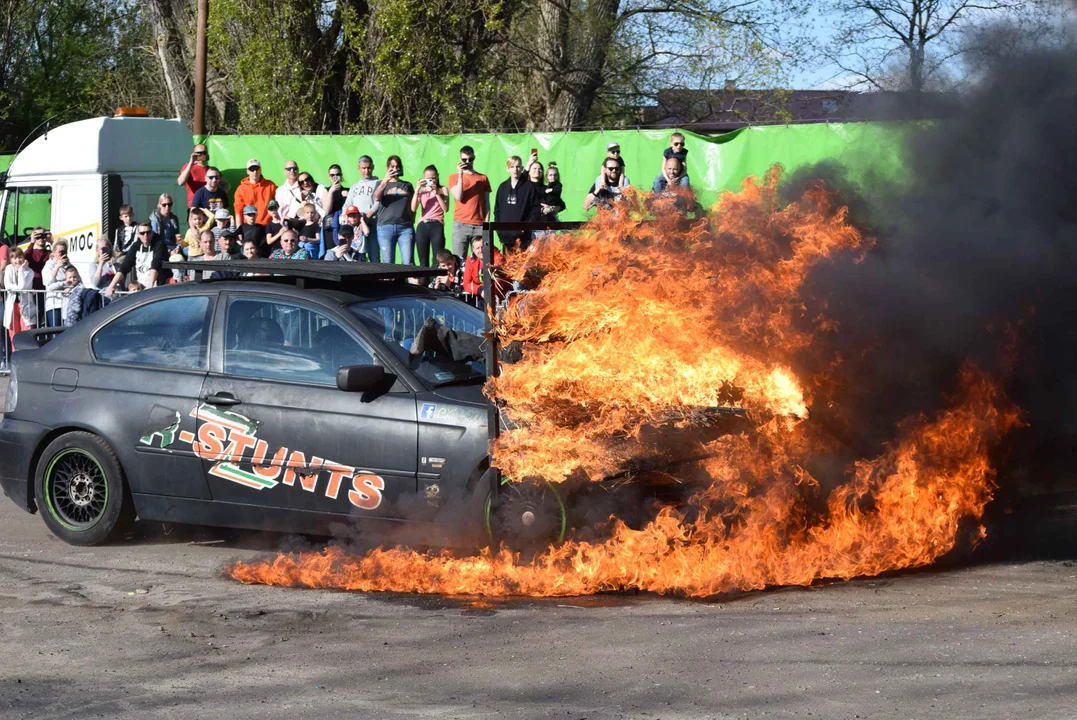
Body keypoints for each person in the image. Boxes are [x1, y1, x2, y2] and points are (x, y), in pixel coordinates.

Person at [448, 145, 491, 258]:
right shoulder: (453, 177)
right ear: (460, 159)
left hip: (479, 226)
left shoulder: (483, 178)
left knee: (482, 261)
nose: (468, 162)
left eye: (470, 159)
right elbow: (458, 196)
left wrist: (486, 223)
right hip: (460, 225)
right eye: (464, 160)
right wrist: (460, 174)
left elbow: (487, 203)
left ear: (474, 158)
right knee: (458, 260)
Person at [106, 222, 168, 296]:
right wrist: (111, 286)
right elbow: (124, 267)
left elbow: (156, 263)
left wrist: (150, 285)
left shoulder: (159, 244)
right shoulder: (136, 246)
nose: (145, 235)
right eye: (142, 233)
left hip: (157, 287)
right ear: (138, 235)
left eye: (148, 232)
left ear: (152, 233)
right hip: (141, 287)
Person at [373, 155, 415, 264]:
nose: (395, 169)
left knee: (408, 263)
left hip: (405, 228)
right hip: (385, 227)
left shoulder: (407, 185)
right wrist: (385, 181)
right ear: (387, 168)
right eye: (392, 167)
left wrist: (412, 220)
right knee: (388, 264)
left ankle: (406, 281)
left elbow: (413, 205)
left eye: (398, 167)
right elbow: (377, 197)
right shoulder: (380, 183)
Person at [493, 155, 539, 253]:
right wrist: (499, 230)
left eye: (518, 166)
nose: (515, 169)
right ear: (508, 168)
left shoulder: (529, 187)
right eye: (512, 167)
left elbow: (534, 210)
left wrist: (526, 228)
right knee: (507, 267)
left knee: (523, 266)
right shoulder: (502, 187)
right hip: (505, 238)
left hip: (523, 238)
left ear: (522, 168)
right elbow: (497, 210)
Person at [343, 155, 381, 262]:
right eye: (364, 168)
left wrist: (366, 217)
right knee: (357, 257)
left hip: (372, 225)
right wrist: (345, 218)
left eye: (369, 168)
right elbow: (347, 204)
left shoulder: (378, 183)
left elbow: (378, 203)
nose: (366, 171)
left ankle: (376, 278)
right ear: (358, 169)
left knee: (374, 257)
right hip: (355, 228)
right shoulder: (354, 186)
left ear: (373, 167)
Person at [411, 165, 448, 267]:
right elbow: (413, 208)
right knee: (423, 261)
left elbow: (446, 208)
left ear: (437, 176)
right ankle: (425, 282)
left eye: (433, 178)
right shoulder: (422, 191)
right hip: (423, 225)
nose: (431, 181)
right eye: (428, 179)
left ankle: (438, 281)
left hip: (437, 225)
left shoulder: (443, 189)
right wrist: (417, 189)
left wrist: (437, 194)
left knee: (438, 259)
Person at [3, 248, 36, 344]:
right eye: (14, 258)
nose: (17, 260)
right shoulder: (9, 268)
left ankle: (27, 356)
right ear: (10, 260)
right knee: (13, 334)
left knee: (27, 331)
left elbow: (22, 287)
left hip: (26, 305)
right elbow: (8, 285)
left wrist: (21, 270)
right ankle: (15, 356)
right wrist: (17, 287)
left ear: (24, 258)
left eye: (20, 257)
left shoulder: (29, 272)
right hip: (12, 305)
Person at [462, 236, 508, 303]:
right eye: (477, 248)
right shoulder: (470, 260)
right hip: (481, 295)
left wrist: (487, 291)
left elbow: (500, 281)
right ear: (473, 250)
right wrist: (480, 290)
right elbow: (466, 284)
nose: (481, 250)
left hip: (500, 298)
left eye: (482, 247)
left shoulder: (498, 258)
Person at [233, 159, 277, 224]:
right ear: (247, 171)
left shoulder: (270, 185)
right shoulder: (241, 189)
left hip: (268, 226)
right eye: (252, 169)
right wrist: (239, 231)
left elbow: (280, 204)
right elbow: (238, 211)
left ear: (260, 170)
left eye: (257, 169)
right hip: (249, 226)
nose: (255, 172)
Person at [42, 239, 72, 327]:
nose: (63, 254)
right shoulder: (48, 266)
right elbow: (49, 285)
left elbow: (76, 281)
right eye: (61, 252)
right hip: (54, 303)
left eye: (65, 252)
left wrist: (70, 287)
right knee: (56, 333)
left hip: (68, 303)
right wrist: (57, 266)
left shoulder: (69, 266)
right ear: (54, 252)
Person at [318, 164, 349, 244]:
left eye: (337, 175)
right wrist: (331, 191)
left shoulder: (347, 190)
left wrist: (346, 197)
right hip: (331, 225)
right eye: (332, 175)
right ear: (329, 176)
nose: (335, 177)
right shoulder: (326, 191)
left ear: (341, 176)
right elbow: (327, 210)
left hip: (343, 224)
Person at [177, 142, 210, 207]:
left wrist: (219, 195)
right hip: (194, 207)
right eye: (199, 153)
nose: (202, 155)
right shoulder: (188, 167)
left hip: (209, 207)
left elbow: (226, 184)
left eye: (204, 152)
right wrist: (190, 163)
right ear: (194, 154)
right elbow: (180, 182)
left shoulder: (211, 170)